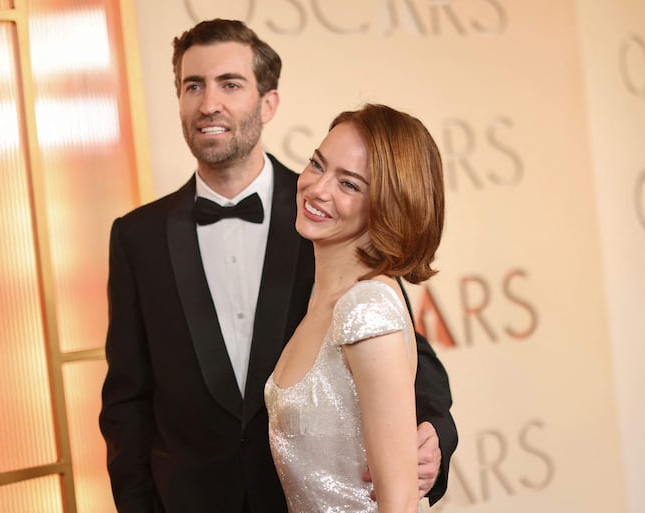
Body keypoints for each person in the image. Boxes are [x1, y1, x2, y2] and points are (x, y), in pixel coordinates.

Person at [99, 18, 457, 513]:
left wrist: (434, 433)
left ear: (268, 102)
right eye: (192, 86)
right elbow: (126, 401)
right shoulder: (136, 237)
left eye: (230, 84)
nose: (209, 104)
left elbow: (406, 356)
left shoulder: (334, 219)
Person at [266, 103, 445, 513]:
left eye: (348, 184)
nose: (317, 188)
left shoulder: (366, 308)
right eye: (317, 164)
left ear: (386, 205)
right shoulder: (325, 299)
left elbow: (399, 503)